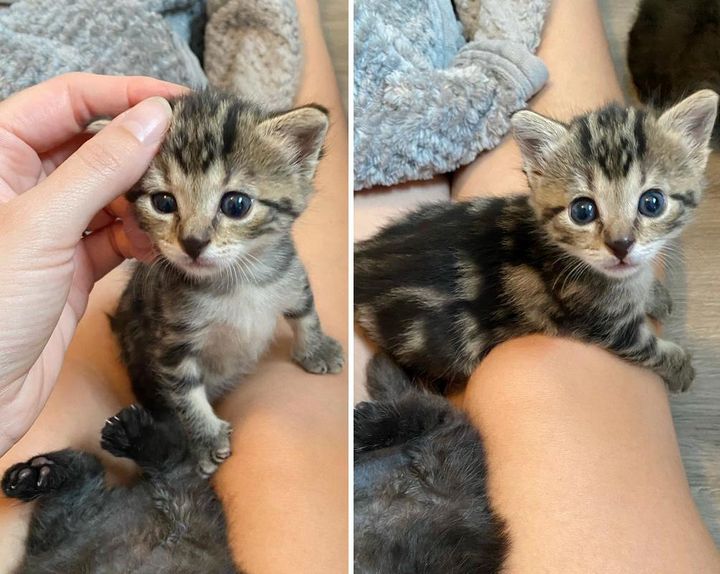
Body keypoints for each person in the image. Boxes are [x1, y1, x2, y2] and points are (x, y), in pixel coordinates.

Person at [354, 0, 720, 571]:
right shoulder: (585, 277)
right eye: (586, 211)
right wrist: (665, 355)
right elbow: (610, 328)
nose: (621, 241)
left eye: (650, 205)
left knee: (394, 169)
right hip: (438, 323)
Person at [0, 1, 348, 571]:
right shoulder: (175, 290)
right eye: (165, 204)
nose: (193, 238)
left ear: (301, 163)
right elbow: (173, 366)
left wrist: (311, 338)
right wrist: (203, 427)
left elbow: (299, 296)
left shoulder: (275, 241)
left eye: (233, 205)